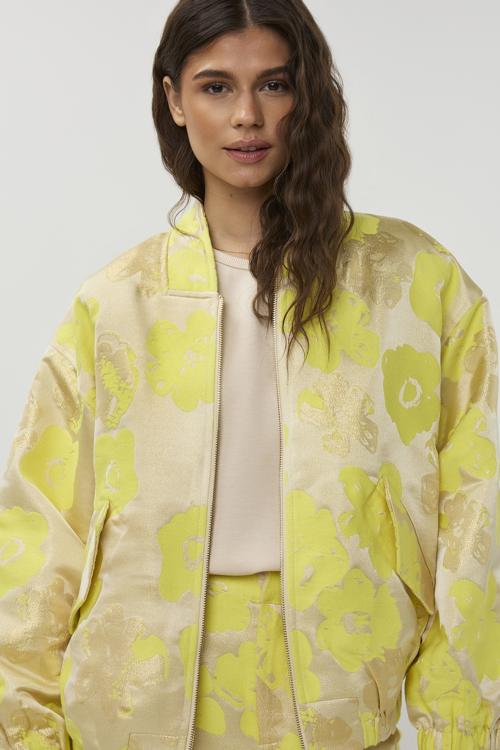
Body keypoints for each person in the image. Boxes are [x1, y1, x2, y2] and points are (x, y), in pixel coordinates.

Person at [1, 1, 499, 748]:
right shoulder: (115, 306)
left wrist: (458, 724)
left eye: (274, 84)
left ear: (309, 94)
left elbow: (476, 512)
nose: (246, 116)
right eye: (215, 86)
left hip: (340, 695)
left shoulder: (413, 284)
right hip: (135, 701)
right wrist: (25, 729)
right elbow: (39, 536)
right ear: (173, 99)